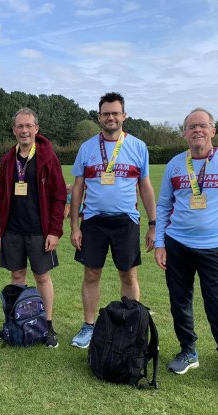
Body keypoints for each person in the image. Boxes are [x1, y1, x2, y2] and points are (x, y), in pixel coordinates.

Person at [155, 108, 218, 397]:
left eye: (202, 126)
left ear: (212, 131)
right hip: (177, 245)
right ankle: (188, 351)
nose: (196, 130)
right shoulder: (175, 165)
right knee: (179, 301)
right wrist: (160, 243)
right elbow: (163, 207)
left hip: (214, 247)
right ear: (184, 133)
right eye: (190, 127)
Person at [69, 92, 157, 349]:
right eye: (106, 113)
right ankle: (88, 326)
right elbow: (77, 188)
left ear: (124, 116)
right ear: (99, 117)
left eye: (115, 113)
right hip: (94, 221)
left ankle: (131, 326)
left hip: (126, 221)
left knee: (128, 275)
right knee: (91, 274)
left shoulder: (138, 146)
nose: (111, 117)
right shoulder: (87, 147)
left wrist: (153, 224)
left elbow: (146, 187)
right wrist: (74, 225)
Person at [0, 107, 66, 348]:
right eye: (20, 126)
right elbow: (3, 194)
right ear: (14, 130)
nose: (24, 130)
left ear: (36, 129)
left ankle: (48, 326)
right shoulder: (7, 159)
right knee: (17, 276)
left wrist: (55, 230)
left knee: (42, 277)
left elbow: (58, 196)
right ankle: (17, 323)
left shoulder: (47, 157)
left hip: (39, 231)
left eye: (28, 126)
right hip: (13, 229)